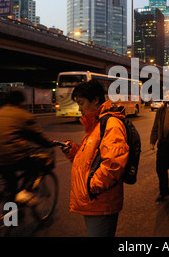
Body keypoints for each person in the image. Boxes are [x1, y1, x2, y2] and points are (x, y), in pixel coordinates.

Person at [61, 80, 129, 237]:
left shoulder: (110, 123)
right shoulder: (96, 123)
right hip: (94, 202)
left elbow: (114, 162)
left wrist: (92, 187)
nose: (79, 108)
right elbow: (91, 160)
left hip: (100, 202)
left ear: (96, 100)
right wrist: (72, 151)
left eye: (81, 103)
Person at [0, 90, 55, 204]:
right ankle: (25, 192)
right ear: (21, 102)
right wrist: (50, 143)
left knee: (11, 185)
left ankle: (12, 213)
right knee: (36, 166)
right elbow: (37, 136)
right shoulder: (24, 115)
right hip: (13, 157)